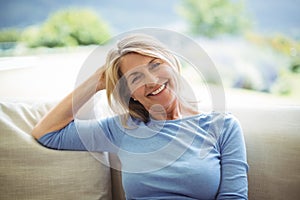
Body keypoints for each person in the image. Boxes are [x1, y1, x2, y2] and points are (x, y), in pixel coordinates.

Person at [31, 33, 248, 199]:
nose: (152, 80)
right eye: (136, 78)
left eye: (156, 65)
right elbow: (47, 134)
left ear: (173, 65)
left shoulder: (223, 126)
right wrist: (97, 81)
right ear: (129, 94)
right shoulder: (123, 128)